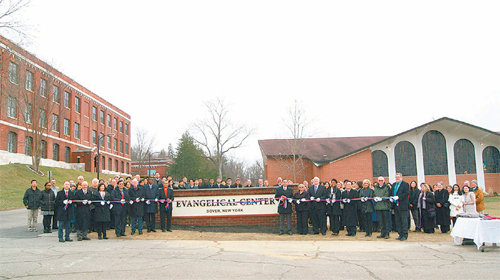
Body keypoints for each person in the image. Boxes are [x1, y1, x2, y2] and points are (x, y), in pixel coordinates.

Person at [392, 173, 410, 241]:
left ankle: (404, 235)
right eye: (396, 177)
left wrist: (399, 197)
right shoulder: (394, 184)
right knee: (398, 221)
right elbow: (392, 192)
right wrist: (392, 197)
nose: (397, 178)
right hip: (396, 206)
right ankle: (400, 234)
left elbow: (406, 193)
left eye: (398, 177)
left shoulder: (405, 184)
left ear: (401, 177)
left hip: (403, 205)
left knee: (404, 221)